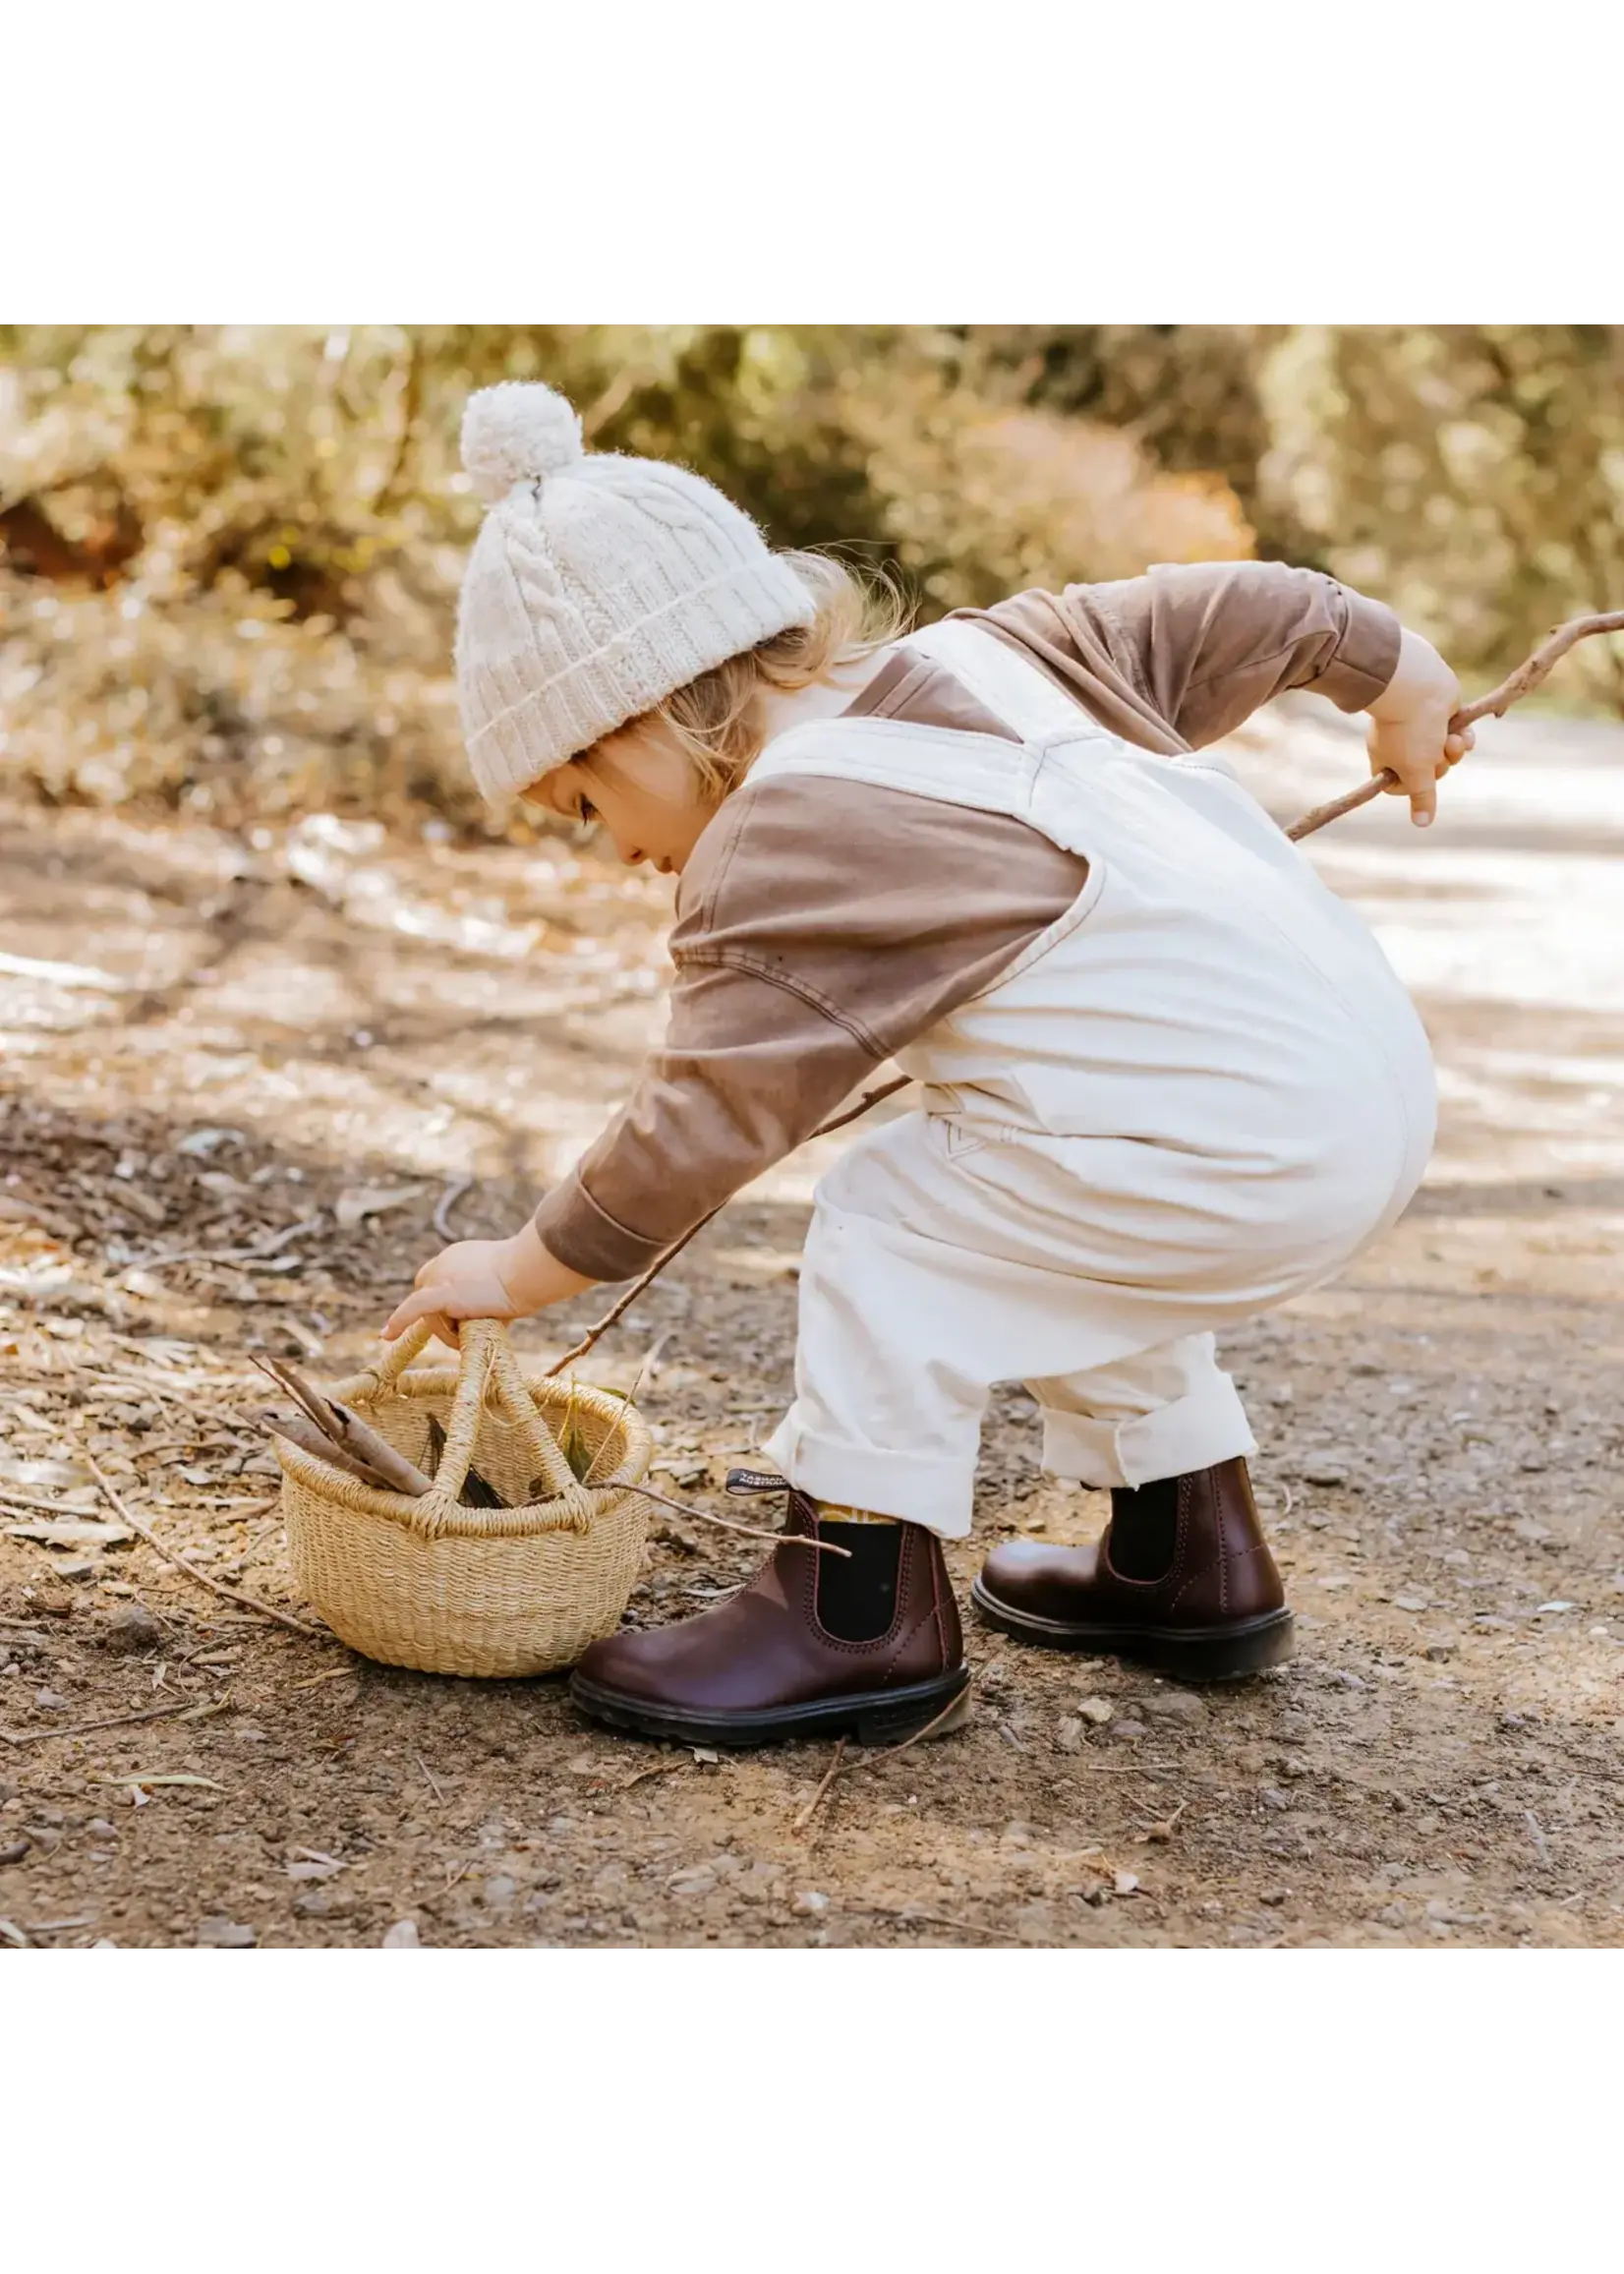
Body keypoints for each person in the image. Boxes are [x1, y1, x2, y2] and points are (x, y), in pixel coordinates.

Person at [382, 379, 1472, 1748]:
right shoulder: (1020, 647)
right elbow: (1248, 611)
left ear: (645, 718)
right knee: (1051, 1185)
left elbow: (702, 1118)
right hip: (1358, 1106)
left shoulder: (783, 836)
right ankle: (1181, 1544)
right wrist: (1400, 676)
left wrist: (524, 1267)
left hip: (1242, 1150)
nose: (613, 850)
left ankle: (851, 1615)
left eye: (585, 801)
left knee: (892, 1217)